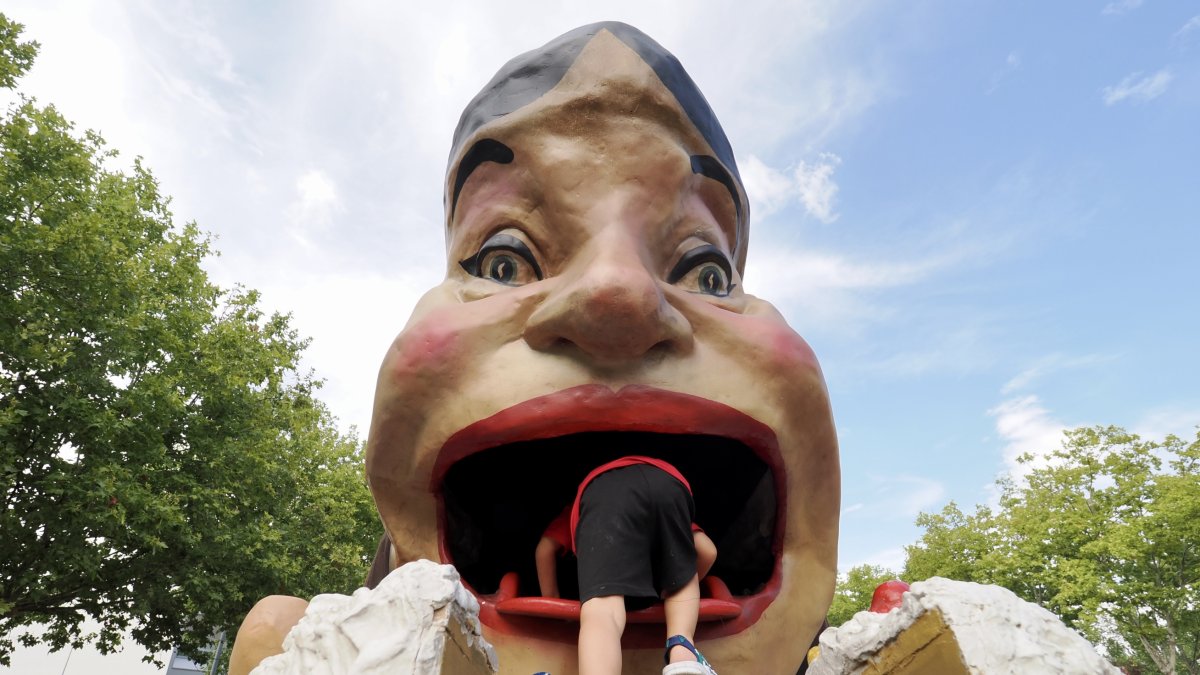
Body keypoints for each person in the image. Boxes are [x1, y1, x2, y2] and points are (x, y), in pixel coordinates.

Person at [534, 456, 719, 675]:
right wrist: (672, 586)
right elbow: (708, 551)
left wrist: (553, 603)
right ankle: (683, 655)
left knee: (603, 610)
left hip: (601, 492)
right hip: (669, 483)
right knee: (680, 573)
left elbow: (544, 549)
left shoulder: (585, 509)